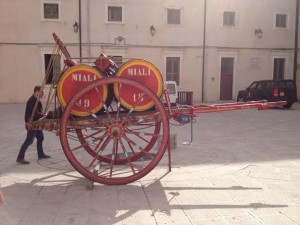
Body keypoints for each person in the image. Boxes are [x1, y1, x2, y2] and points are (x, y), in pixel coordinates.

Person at [16, 86, 50, 164]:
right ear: (36, 92)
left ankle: (40, 154)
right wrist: (43, 115)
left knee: (40, 137)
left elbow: (39, 112)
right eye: (41, 92)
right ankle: (20, 157)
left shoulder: (37, 100)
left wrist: (43, 115)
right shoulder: (32, 100)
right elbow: (34, 113)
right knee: (29, 140)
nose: (43, 93)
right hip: (32, 123)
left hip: (37, 122)